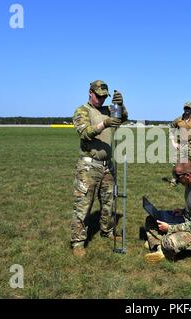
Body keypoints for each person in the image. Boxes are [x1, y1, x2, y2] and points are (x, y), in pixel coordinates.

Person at [70, 80, 128, 257]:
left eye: (105, 97)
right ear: (90, 93)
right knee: (83, 204)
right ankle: (78, 242)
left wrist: (120, 105)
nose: (102, 99)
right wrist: (105, 124)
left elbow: (122, 118)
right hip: (89, 166)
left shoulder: (108, 110)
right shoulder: (82, 110)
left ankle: (107, 231)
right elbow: (84, 132)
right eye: (99, 96)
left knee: (109, 202)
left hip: (107, 166)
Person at [144, 162, 191, 263]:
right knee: (151, 220)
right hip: (188, 220)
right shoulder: (189, 182)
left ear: (187, 175)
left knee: (170, 242)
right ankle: (160, 247)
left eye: (178, 176)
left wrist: (169, 228)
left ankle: (161, 245)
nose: (176, 180)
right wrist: (183, 211)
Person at [168, 101, 191, 186]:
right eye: (186, 108)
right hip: (180, 144)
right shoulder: (178, 119)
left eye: (189, 108)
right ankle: (175, 179)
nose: (187, 110)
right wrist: (173, 141)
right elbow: (171, 128)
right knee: (176, 163)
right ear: (183, 108)